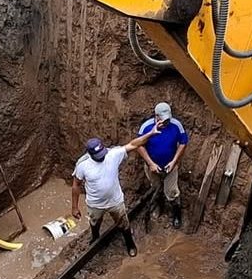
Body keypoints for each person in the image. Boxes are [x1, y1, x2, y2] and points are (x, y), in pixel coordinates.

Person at [71, 127, 160, 257]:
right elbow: (76, 185)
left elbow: (133, 144)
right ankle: (96, 239)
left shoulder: (112, 154)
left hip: (115, 201)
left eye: (102, 154)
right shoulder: (82, 165)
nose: (101, 158)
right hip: (95, 203)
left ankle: (130, 244)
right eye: (98, 157)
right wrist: (74, 207)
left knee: (123, 223)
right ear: (89, 154)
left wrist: (151, 133)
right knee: (94, 222)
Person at [137, 102, 189, 229]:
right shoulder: (146, 127)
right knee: (155, 186)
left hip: (170, 165)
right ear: (156, 116)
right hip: (152, 166)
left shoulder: (176, 126)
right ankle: (158, 205)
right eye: (163, 120)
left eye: (168, 120)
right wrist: (151, 164)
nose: (166, 123)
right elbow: (139, 145)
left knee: (171, 191)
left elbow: (183, 143)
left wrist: (174, 161)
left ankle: (176, 214)